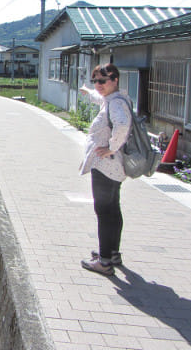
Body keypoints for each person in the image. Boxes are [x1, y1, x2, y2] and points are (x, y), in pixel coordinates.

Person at [78, 63, 132, 276]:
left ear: (115, 80)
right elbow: (100, 98)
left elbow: (122, 125)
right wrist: (88, 91)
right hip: (115, 168)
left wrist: (110, 148)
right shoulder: (114, 99)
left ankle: (104, 261)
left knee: (103, 211)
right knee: (113, 208)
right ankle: (112, 253)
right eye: (96, 81)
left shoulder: (116, 104)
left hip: (106, 166)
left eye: (103, 80)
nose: (99, 85)